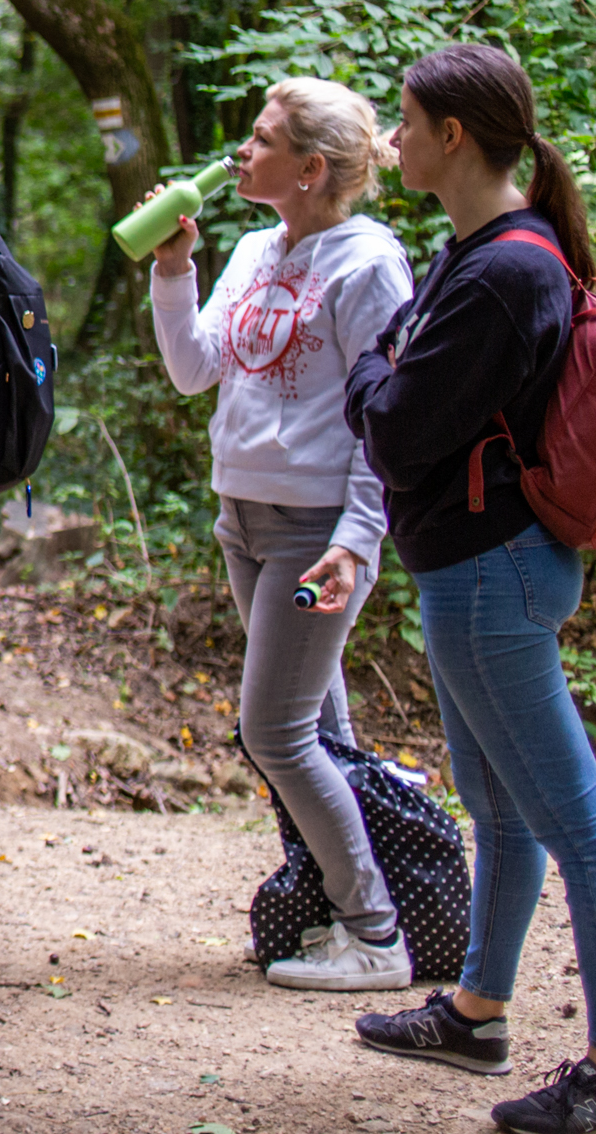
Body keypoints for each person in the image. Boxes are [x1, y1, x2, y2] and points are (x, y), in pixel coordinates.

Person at [340, 43, 596, 1134]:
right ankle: (477, 1008)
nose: (394, 142)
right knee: (504, 810)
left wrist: (373, 378)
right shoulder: (471, 250)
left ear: (454, 137)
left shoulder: (506, 268)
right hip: (473, 567)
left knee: (578, 825)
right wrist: (380, 375)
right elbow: (391, 380)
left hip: (493, 574)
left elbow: (392, 418)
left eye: (407, 122)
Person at [148, 80, 417, 990]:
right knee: (320, 726)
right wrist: (174, 268)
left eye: (260, 142)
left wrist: (358, 537)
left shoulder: (367, 264)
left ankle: (375, 932)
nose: (240, 155)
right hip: (245, 522)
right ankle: (342, 905)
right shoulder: (260, 247)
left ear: (310, 168)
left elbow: (391, 419)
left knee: (276, 730)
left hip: (314, 536)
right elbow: (194, 370)